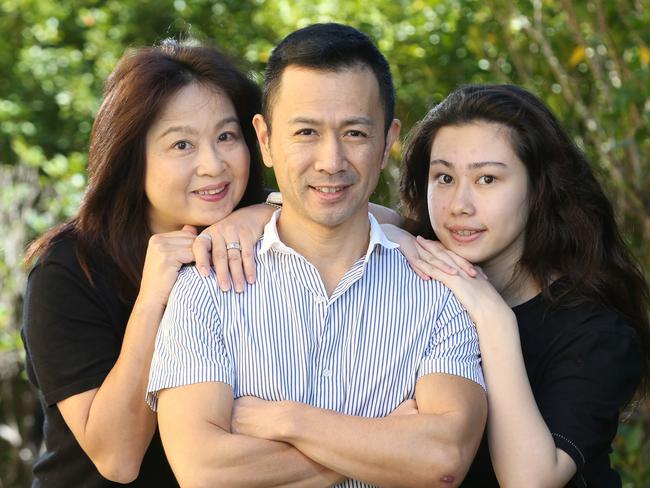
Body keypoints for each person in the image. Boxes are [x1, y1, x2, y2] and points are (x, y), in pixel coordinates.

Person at [147, 23, 487, 487]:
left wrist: (289, 422)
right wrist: (387, 443)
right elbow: (204, 470)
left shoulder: (439, 288)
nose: (331, 160)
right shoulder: (207, 285)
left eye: (354, 133)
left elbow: (443, 458)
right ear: (265, 140)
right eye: (306, 131)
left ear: (388, 142)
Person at [21, 39, 267, 486]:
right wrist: (153, 297)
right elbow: (117, 458)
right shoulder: (68, 269)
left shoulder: (266, 239)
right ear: (133, 157)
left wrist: (266, 211)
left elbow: (366, 218)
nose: (214, 165)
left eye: (226, 137)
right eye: (181, 145)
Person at [398, 83, 650, 487]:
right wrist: (266, 212)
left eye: (487, 180)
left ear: (538, 189)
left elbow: (529, 480)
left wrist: (492, 315)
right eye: (444, 177)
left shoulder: (597, 333)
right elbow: (340, 214)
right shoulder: (412, 274)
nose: (460, 204)